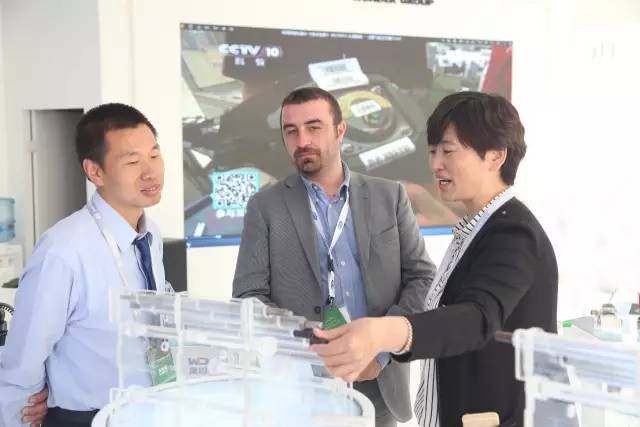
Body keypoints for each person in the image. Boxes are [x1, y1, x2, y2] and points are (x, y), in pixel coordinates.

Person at [312, 91, 558, 426]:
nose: (435, 164)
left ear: (496, 156)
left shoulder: (513, 233)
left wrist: (381, 333)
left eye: (448, 151)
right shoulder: (477, 227)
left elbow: (475, 319)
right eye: (432, 151)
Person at [232, 87, 436, 427]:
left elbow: (422, 277)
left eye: (314, 127)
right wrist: (308, 352)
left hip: (378, 378)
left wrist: (381, 347)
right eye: (291, 131)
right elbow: (248, 296)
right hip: (301, 386)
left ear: (340, 131)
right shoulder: (265, 207)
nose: (302, 141)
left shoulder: (389, 196)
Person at [0, 103, 166, 427]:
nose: (150, 172)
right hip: (86, 417)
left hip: (145, 410)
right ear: (95, 172)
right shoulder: (63, 250)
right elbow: (23, 361)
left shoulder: (150, 235)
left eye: (155, 155)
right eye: (133, 161)